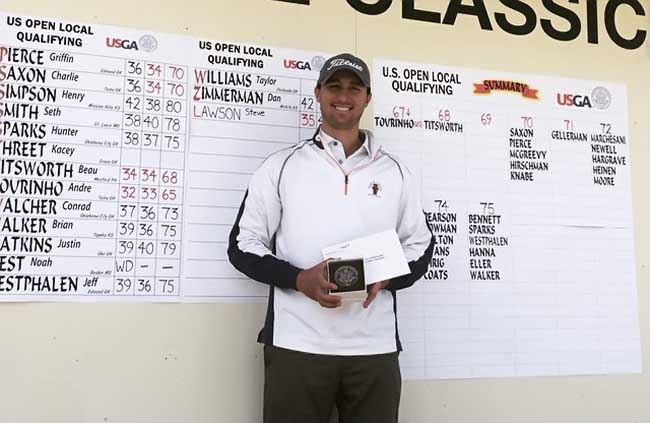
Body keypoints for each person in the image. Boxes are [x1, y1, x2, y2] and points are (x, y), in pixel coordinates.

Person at [228, 53, 434, 423]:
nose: (344, 96)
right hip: (297, 345)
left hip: (374, 348)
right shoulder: (281, 165)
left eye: (354, 88)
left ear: (368, 98)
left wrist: (386, 276)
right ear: (318, 93)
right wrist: (298, 279)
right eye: (334, 86)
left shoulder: (397, 172)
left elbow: (419, 246)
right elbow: (243, 246)